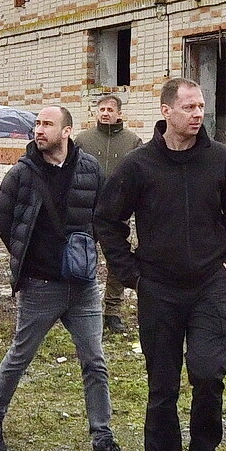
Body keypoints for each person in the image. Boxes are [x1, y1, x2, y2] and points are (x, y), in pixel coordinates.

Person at [94, 74, 226, 451]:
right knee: (162, 389)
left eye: (201, 106)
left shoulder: (221, 161)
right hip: (159, 291)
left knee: (208, 375)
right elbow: (107, 221)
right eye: (189, 107)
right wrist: (131, 275)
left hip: (209, 286)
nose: (198, 114)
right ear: (166, 110)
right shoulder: (139, 165)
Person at [0, 103, 137, 451]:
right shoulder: (21, 173)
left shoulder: (89, 169)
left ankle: (102, 439)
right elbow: (5, 221)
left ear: (66, 131)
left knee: (95, 361)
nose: (39, 129)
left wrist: (93, 253)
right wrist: (29, 258)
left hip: (82, 286)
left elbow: (104, 217)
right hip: (40, 286)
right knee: (19, 357)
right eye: (37, 123)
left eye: (47, 123)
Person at [82, 89, 143, 332]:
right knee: (83, 260)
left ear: (119, 114)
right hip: (86, 211)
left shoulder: (132, 142)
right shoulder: (83, 140)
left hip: (117, 213)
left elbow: (140, 177)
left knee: (117, 262)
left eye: (110, 110)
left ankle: (112, 311)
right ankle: (84, 309)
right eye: (102, 109)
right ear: (96, 112)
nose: (105, 113)